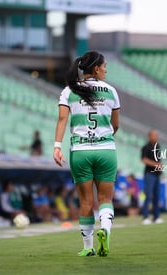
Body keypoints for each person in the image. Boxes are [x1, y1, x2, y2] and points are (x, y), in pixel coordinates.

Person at [53, 51, 120, 257]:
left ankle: (87, 247)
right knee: (105, 198)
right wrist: (103, 137)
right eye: (105, 66)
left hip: (80, 151)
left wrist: (57, 146)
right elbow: (115, 125)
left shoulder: (69, 90)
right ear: (96, 68)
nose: (106, 70)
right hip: (105, 150)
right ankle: (105, 230)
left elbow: (62, 120)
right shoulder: (110, 91)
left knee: (85, 202)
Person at [141, 130, 163, 225]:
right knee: (149, 195)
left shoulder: (158, 146)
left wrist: (161, 170)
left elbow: (159, 161)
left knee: (156, 196)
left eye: (156, 135)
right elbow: (144, 159)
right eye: (154, 135)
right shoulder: (146, 147)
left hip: (157, 174)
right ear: (149, 136)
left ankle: (156, 217)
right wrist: (156, 164)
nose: (156, 137)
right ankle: (145, 217)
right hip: (149, 174)